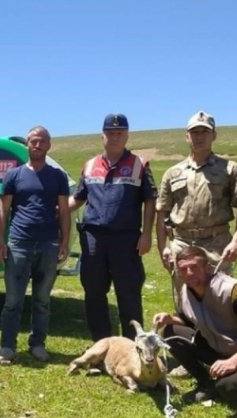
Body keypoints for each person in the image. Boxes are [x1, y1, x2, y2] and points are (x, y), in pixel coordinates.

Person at [153, 246, 237, 407]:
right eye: (184, 269)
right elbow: (191, 320)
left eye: (194, 267)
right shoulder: (187, 289)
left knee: (228, 386)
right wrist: (170, 318)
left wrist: (233, 362)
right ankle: (207, 384)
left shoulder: (234, 291)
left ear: (208, 267)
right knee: (171, 331)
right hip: (220, 347)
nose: (189, 273)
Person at [68, 113, 157, 341]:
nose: (114, 137)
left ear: (127, 135)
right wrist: (52, 210)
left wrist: (147, 234)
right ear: (102, 136)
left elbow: (150, 200)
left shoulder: (139, 164)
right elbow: (78, 198)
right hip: (94, 239)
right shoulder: (90, 166)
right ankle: (102, 347)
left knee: (128, 295)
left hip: (126, 240)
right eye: (110, 133)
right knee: (94, 293)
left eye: (119, 133)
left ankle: (132, 347)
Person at [0, 126, 70, 364]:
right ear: (27, 144)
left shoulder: (57, 176)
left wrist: (65, 241)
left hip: (48, 244)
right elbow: (3, 210)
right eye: (33, 141)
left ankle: (37, 344)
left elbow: (64, 210)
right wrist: (0, 241)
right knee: (13, 301)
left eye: (42, 142)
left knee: (42, 300)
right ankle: (7, 346)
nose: (37, 145)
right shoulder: (14, 175)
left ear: (49, 145)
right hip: (18, 243)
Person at [156, 110, 237, 278]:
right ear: (187, 136)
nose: (199, 137)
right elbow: (162, 212)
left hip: (217, 245)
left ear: (214, 135)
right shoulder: (173, 173)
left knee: (218, 297)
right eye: (194, 132)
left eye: (205, 132)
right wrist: (163, 247)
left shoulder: (231, 169)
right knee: (185, 299)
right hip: (182, 244)